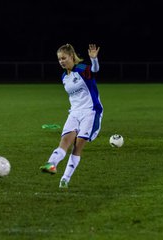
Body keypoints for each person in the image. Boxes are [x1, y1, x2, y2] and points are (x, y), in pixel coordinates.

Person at [40, 43, 103, 189]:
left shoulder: (81, 69)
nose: (61, 61)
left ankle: (65, 179)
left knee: (77, 146)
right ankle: (52, 164)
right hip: (74, 113)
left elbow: (95, 70)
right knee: (65, 142)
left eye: (64, 58)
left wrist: (94, 59)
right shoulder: (64, 77)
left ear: (71, 57)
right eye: (59, 59)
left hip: (90, 112)